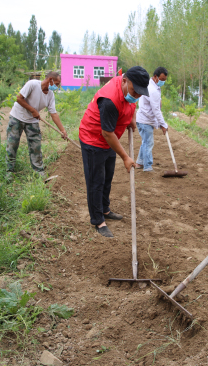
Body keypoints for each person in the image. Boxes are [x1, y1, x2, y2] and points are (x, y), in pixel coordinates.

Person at [79, 66, 150, 238]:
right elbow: (107, 133)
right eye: (135, 91)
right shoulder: (109, 100)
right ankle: (97, 221)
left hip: (110, 140)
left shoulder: (130, 90)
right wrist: (125, 157)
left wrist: (132, 119)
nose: (137, 96)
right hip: (94, 139)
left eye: (141, 93)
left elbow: (131, 105)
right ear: (124, 81)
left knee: (107, 177)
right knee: (96, 181)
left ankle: (104, 210)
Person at [6, 72, 67, 181]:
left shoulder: (50, 95)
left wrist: (62, 130)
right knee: (12, 145)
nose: (57, 87)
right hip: (17, 117)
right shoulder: (32, 84)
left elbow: (53, 113)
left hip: (32, 121)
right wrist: (33, 110)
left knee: (36, 146)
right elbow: (19, 98)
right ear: (49, 80)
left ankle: (38, 171)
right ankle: (9, 171)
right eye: (56, 84)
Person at [134, 67, 169, 172]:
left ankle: (139, 163)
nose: (162, 81)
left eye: (164, 80)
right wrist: (163, 124)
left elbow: (157, 106)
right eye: (161, 79)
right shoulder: (152, 89)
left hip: (144, 119)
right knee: (148, 143)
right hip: (145, 120)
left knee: (145, 141)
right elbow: (156, 110)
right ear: (155, 77)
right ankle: (147, 166)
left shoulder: (153, 86)